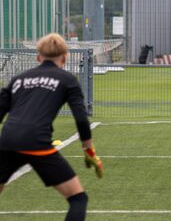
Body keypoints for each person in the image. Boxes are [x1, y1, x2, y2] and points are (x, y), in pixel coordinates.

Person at [0, 33, 104, 220]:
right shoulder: (67, 79)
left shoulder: (18, 79)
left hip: (7, 142)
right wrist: (89, 150)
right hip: (37, 142)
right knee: (78, 198)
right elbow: (81, 118)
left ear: (38, 58)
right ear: (65, 57)